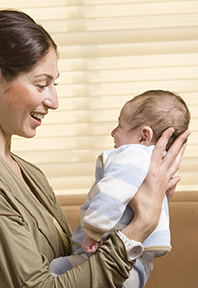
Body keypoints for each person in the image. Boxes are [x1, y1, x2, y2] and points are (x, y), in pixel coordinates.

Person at [0, 9, 190, 288]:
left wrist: (135, 207)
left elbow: (73, 268)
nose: (54, 101)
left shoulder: (29, 174)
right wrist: (140, 226)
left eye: (55, 85)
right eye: (42, 85)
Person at [50, 90, 190, 287]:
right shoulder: (158, 164)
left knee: (54, 270)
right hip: (140, 261)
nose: (113, 132)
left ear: (144, 136)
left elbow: (112, 193)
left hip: (110, 250)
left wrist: (94, 230)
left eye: (120, 126)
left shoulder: (132, 154)